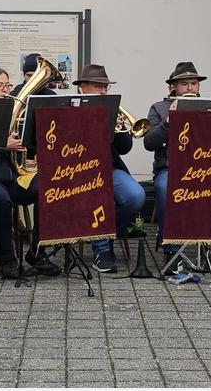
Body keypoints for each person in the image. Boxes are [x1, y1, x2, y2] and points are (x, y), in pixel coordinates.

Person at [143, 61, 211, 275]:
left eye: (194, 83)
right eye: (184, 84)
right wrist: (167, 122)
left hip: (208, 171)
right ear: (172, 87)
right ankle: (172, 251)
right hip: (171, 170)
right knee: (166, 189)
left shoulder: (210, 107)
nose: (190, 88)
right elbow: (149, 143)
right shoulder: (159, 107)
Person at [0, 67, 60, 278]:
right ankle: (6, 259)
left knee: (49, 188)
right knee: (0, 200)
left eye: (8, 85)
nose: (6, 90)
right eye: (0, 86)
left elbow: (28, 144)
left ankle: (37, 253)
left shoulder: (15, 109)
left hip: (14, 175)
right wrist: (3, 145)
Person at [73, 64, 146, 273]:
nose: (103, 92)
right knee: (99, 192)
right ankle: (102, 249)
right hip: (78, 171)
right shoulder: (69, 109)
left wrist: (118, 126)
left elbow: (125, 149)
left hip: (110, 168)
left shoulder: (112, 111)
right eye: (98, 86)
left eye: (105, 87)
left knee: (136, 196)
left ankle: (105, 234)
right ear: (82, 88)